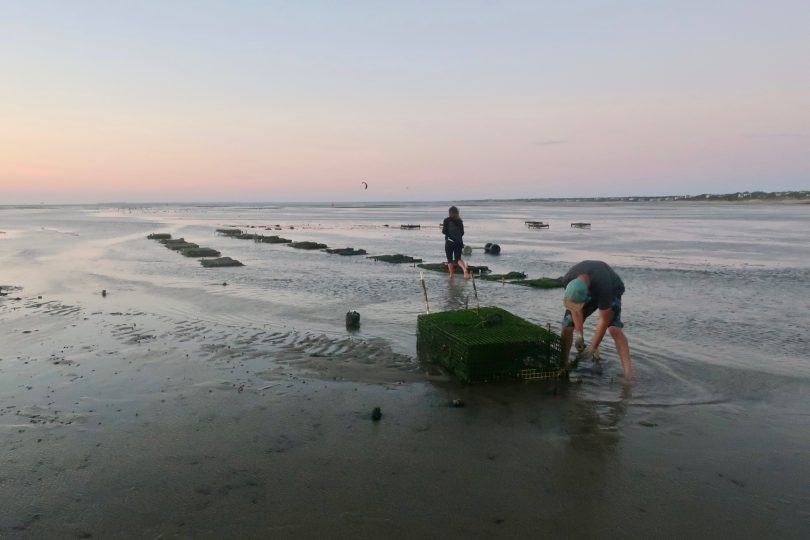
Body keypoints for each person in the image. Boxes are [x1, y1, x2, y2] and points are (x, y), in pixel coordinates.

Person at [561, 260, 633, 379]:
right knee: (567, 327)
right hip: (585, 290)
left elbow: (603, 320)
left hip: (612, 289)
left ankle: (629, 374)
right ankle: (563, 364)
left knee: (614, 329)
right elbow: (575, 308)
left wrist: (593, 347)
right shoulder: (568, 280)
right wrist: (579, 335)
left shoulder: (604, 286)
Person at [441, 206, 470, 279]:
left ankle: (451, 275)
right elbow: (462, 233)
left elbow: (444, 231)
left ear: (449, 212)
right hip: (459, 242)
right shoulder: (460, 221)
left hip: (449, 242)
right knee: (458, 259)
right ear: (457, 212)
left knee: (449, 259)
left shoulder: (446, 220)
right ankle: (464, 270)